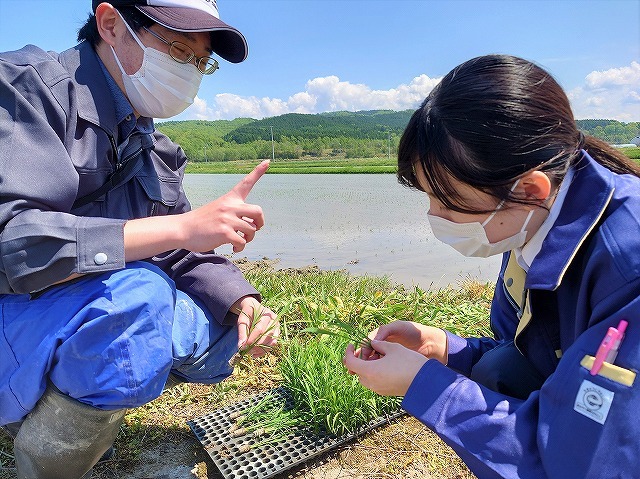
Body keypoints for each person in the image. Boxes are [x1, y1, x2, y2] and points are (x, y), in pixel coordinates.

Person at [0, 1, 279, 478]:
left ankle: (84, 410)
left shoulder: (151, 145)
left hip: (76, 311)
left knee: (220, 330)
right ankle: (46, 461)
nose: (190, 70)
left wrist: (242, 301)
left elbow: (181, 249)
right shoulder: (25, 89)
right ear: (111, 25)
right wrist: (178, 230)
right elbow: (13, 241)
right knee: (142, 298)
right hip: (15, 306)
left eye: (200, 61)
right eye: (177, 48)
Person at [344, 54, 640, 478]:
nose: (436, 217)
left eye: (449, 201)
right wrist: (443, 349)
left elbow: (582, 464)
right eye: (429, 198)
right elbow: (529, 354)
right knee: (498, 369)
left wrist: (422, 384)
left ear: (529, 187)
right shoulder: (533, 218)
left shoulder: (628, 266)